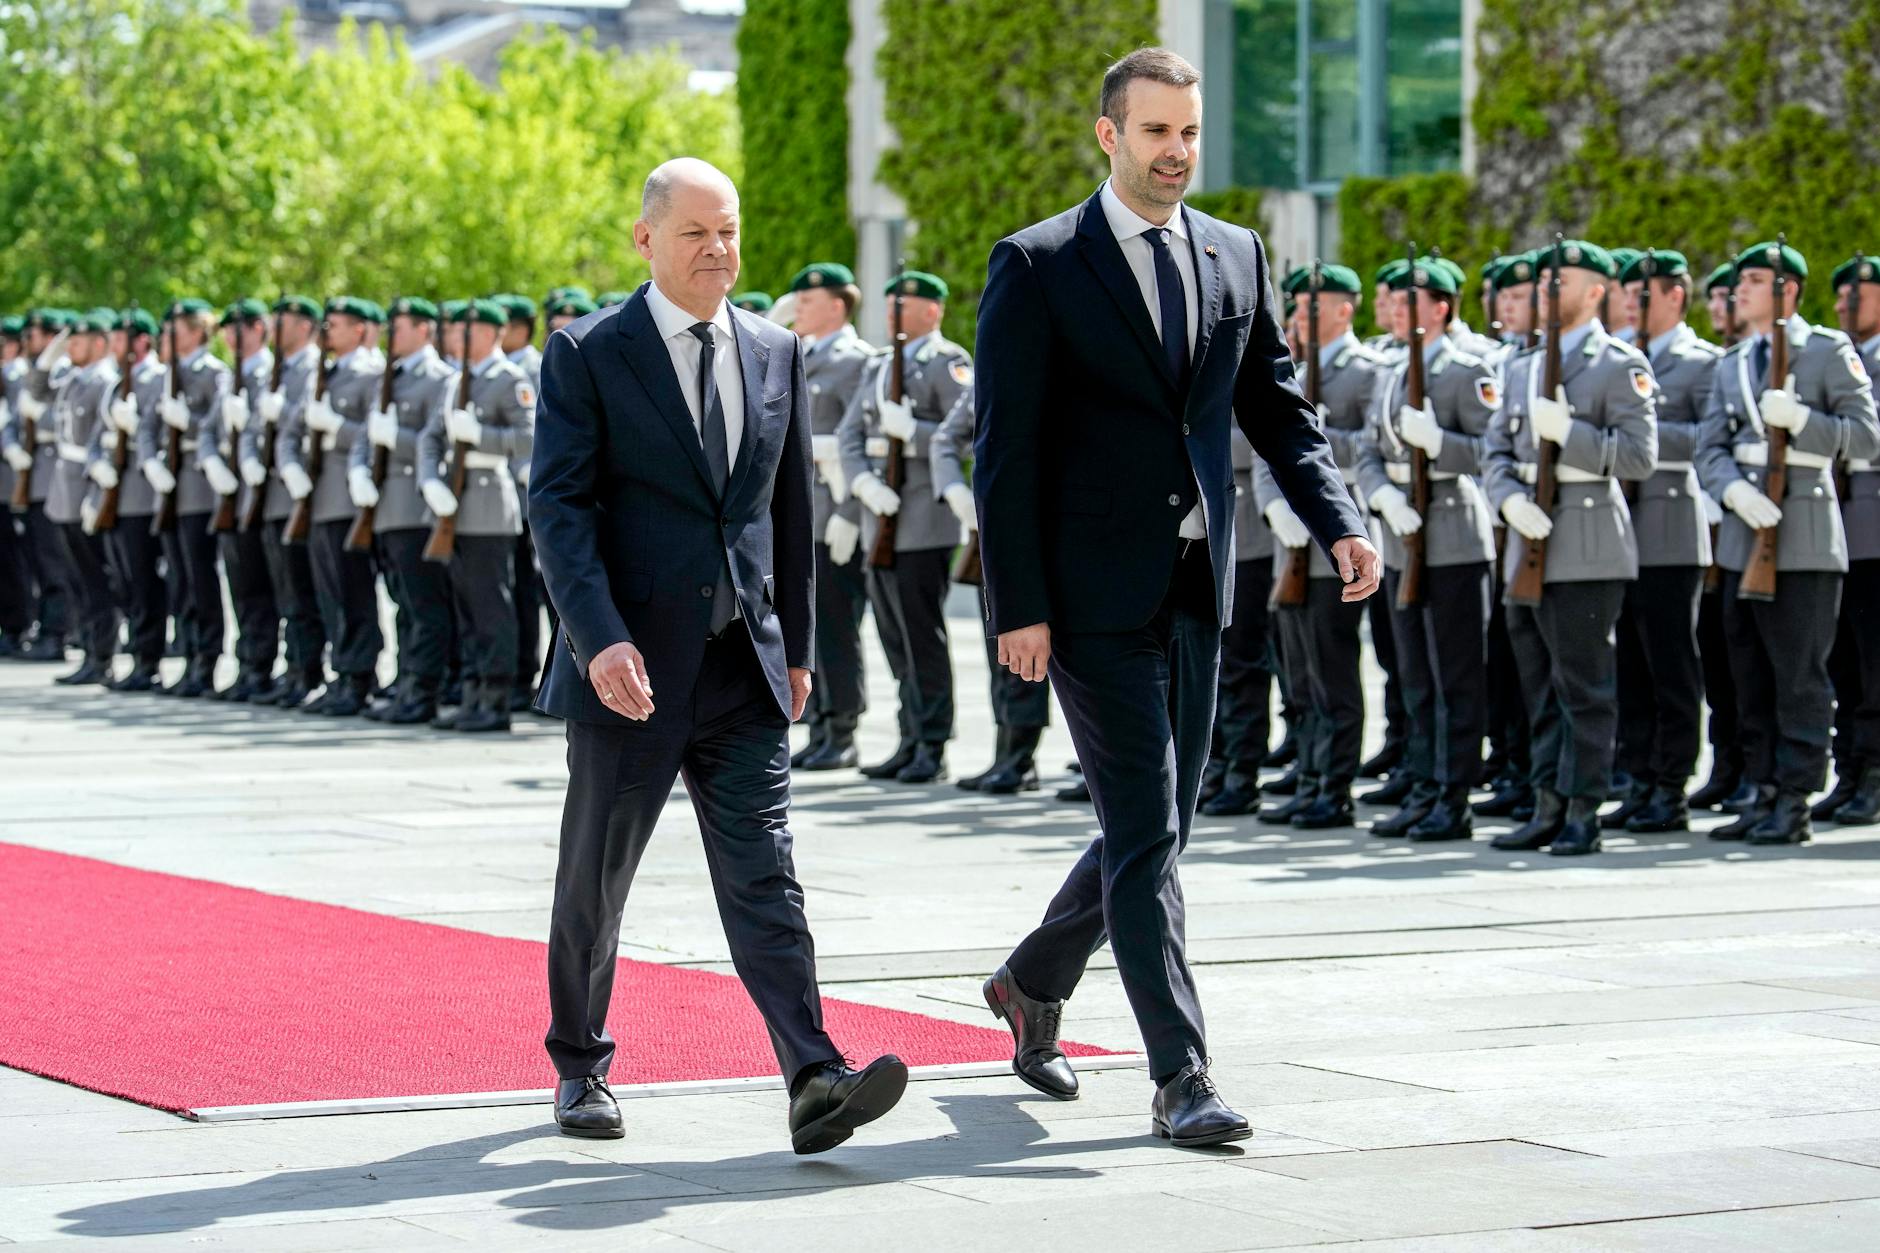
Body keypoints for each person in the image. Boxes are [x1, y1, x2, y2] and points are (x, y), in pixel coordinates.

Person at [972, 49, 1377, 1148]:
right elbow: (1004, 451)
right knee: (1147, 827)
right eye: (1155, 131)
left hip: (1200, 581)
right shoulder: (1038, 262)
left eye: (1189, 133)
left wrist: (1338, 519)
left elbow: (1276, 408)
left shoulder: (1236, 253)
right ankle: (1180, 1073)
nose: (1176, 152)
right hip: (1087, 598)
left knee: (1160, 824)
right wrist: (1016, 605)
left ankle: (1031, 977)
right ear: (1109, 134)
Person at [531, 157, 906, 1151]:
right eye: (696, 232)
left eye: (729, 230)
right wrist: (598, 636)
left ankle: (813, 1072)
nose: (718, 250)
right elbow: (558, 509)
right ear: (646, 239)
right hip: (631, 672)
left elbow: (789, 507)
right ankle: (579, 1062)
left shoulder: (775, 349)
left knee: (764, 874)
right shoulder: (589, 352)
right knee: (596, 875)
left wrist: (799, 646)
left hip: (744, 663)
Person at [1696, 241, 1880, 844]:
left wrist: (1803, 421)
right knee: (1748, 673)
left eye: (1754, 280)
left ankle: (1796, 797)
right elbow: (1710, 446)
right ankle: (1763, 789)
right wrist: (1731, 491)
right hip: (1743, 535)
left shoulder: (1827, 350)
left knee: (1798, 674)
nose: (1740, 290)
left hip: (1803, 533)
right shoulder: (1733, 362)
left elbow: (1866, 436)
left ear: (1788, 289)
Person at [1485, 241, 1657, 857]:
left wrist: (1571, 434)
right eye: (1543, 283)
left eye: (1560, 282)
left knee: (1583, 687)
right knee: (1537, 685)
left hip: (1586, 544)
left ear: (1595, 291)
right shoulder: (1522, 367)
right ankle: (1546, 803)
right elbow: (1495, 452)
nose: (1546, 292)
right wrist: (1508, 501)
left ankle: (1584, 808)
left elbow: (1639, 456)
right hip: (1526, 543)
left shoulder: (1619, 363)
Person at [1356, 257, 1501, 842]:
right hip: (1401, 538)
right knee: (1415, 675)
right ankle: (1422, 786)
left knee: (1455, 677)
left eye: (1408, 301)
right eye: (1394, 301)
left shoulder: (1468, 371)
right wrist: (1384, 498)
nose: (1395, 310)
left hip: (1455, 536)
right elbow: (1367, 450)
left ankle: (1453, 795)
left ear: (1440, 308)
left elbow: (1493, 450)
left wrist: (1440, 443)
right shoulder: (1391, 371)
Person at [1257, 264, 1389, 829]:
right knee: (1301, 671)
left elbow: (1381, 443)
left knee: (1333, 669)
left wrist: (1328, 436)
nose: (1300, 316)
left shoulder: (1368, 371)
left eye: (1313, 305)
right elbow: (1266, 446)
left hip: (1339, 535)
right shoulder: (1295, 371)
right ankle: (1309, 776)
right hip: (1293, 541)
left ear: (1344, 308)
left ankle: (1334, 786)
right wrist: (1275, 507)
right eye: (1296, 306)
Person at [836, 271, 970, 785]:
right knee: (893, 638)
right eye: (890, 303)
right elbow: (850, 435)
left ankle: (932, 744)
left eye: (903, 305)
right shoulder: (878, 365)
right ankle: (909, 736)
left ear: (932, 311)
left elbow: (969, 433)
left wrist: (913, 432)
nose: (892, 312)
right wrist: (864, 484)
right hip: (881, 519)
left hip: (923, 522)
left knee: (921, 638)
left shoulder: (947, 362)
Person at [1607, 251, 1721, 834]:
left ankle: (1672, 784)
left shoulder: (1703, 363)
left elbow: (1714, 435)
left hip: (1671, 529)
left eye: (1642, 294)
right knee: (1629, 664)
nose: (1630, 304)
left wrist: (1640, 436)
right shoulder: (1617, 358)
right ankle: (1638, 777)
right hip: (1620, 530)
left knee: (1672, 664)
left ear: (1675, 295)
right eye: (1626, 294)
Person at [421, 298, 534, 733]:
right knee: (465, 607)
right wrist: (430, 482)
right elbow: (431, 437)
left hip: (488, 505)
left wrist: (481, 436)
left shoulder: (509, 379)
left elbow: (530, 437)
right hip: (453, 504)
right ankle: (472, 692)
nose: (453, 338)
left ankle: (495, 696)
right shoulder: (455, 381)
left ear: (489, 334)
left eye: (462, 331)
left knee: (490, 607)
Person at [787, 262, 878, 771]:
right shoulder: (798, 353)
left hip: (837, 514)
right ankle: (820, 722)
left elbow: (861, 443)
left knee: (838, 627)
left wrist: (849, 511)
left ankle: (842, 728)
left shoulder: (856, 361)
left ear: (838, 306)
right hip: (802, 516)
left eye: (808, 300)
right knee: (809, 628)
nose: (797, 307)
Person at [351, 296, 456, 725]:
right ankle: (406, 682)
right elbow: (365, 435)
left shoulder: (440, 378)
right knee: (401, 604)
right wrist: (358, 469)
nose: (390, 335)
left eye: (399, 327)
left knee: (424, 605)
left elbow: (440, 443)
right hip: (386, 509)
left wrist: (396, 437)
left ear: (423, 330)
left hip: (417, 507)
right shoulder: (388, 377)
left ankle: (424, 689)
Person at [242, 296, 329, 709]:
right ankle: (293, 669)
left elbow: (304, 422)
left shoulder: (314, 368)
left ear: (306, 326)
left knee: (304, 589)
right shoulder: (276, 371)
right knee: (285, 591)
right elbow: (255, 428)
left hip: (304, 493)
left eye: (285, 320)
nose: (275, 327)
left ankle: (308, 669)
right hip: (274, 494)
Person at [1819, 254, 1880, 825]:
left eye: (1856, 295)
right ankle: (1851, 768)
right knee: (1843, 661)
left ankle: (1875, 772)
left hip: (1873, 531)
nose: (1844, 305)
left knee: (1874, 660)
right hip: (1835, 529)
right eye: (1840, 296)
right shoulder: (1839, 359)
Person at [153, 299, 234, 698]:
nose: (168, 337)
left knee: (200, 576)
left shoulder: (214, 373)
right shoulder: (167, 374)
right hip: (170, 482)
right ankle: (188, 653)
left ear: (199, 332)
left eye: (177, 329)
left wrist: (188, 423)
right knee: (179, 578)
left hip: (200, 483)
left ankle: (207, 658)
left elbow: (218, 427)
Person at [202, 298, 282, 701]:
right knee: (242, 586)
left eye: (240, 329)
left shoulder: (270, 372)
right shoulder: (229, 377)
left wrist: (248, 423)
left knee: (267, 584)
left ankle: (265, 666)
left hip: (262, 492)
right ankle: (248, 664)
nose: (232, 337)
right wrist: (212, 461)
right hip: (232, 493)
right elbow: (208, 430)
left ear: (259, 330)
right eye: (227, 330)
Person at [91, 307, 169, 691]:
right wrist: (97, 467)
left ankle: (148, 658)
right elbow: (96, 437)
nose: (115, 345)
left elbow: (161, 433)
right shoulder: (115, 383)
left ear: (142, 341)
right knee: (123, 580)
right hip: (115, 495)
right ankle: (137, 653)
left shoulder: (157, 379)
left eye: (122, 338)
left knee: (144, 580)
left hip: (142, 494)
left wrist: (135, 428)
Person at [44, 309, 120, 686]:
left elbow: (101, 443)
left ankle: (102, 654)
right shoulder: (74, 380)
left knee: (95, 579)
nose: (70, 348)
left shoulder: (103, 382)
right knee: (77, 579)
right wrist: (59, 344)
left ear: (100, 344)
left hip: (86, 491)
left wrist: (96, 494)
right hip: (64, 493)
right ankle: (90, 650)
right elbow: (41, 378)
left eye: (78, 341)